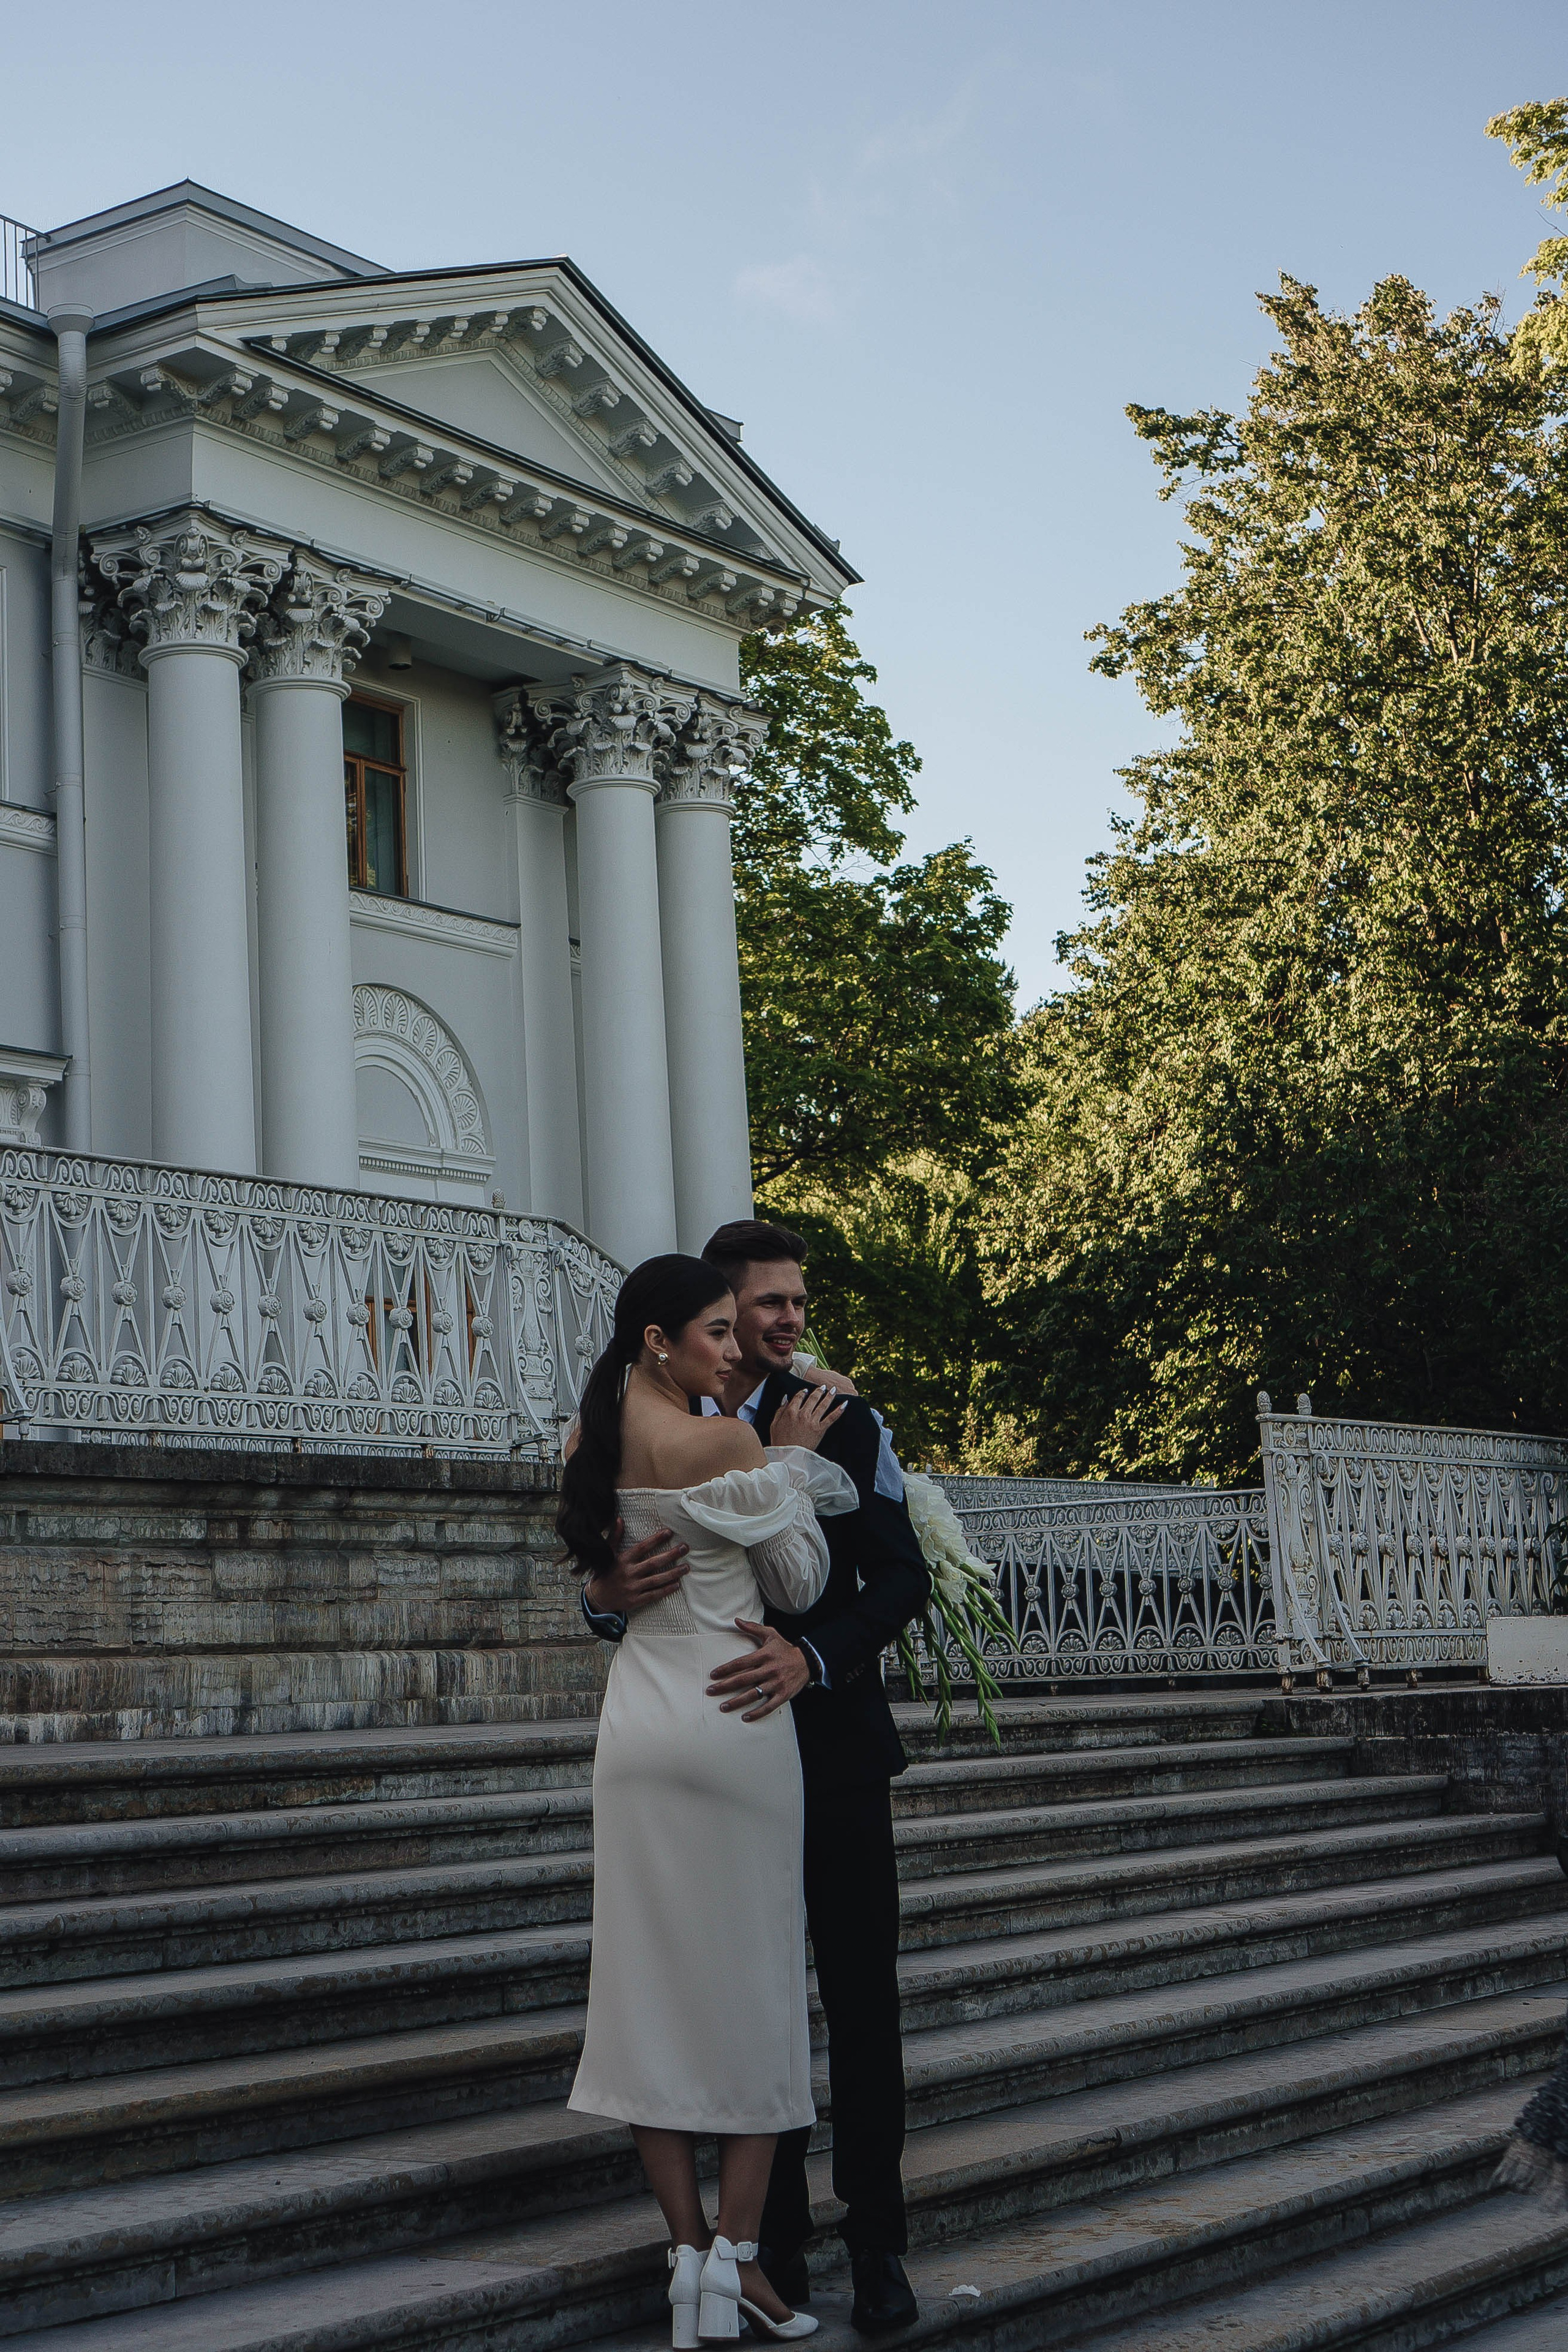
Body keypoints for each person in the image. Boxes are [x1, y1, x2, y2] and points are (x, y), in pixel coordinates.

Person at [583, 1221, 930, 2335]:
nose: (782, 1322)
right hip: (725, 1747)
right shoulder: (690, 1427)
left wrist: (813, 1654)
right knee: (742, 2000)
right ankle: (765, 2248)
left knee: (859, 2007)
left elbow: (900, 1578)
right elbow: (611, 1577)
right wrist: (607, 1596)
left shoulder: (851, 1418)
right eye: (759, 1306)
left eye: (792, 1304)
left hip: (826, 1758)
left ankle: (878, 2242)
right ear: (710, 1323)